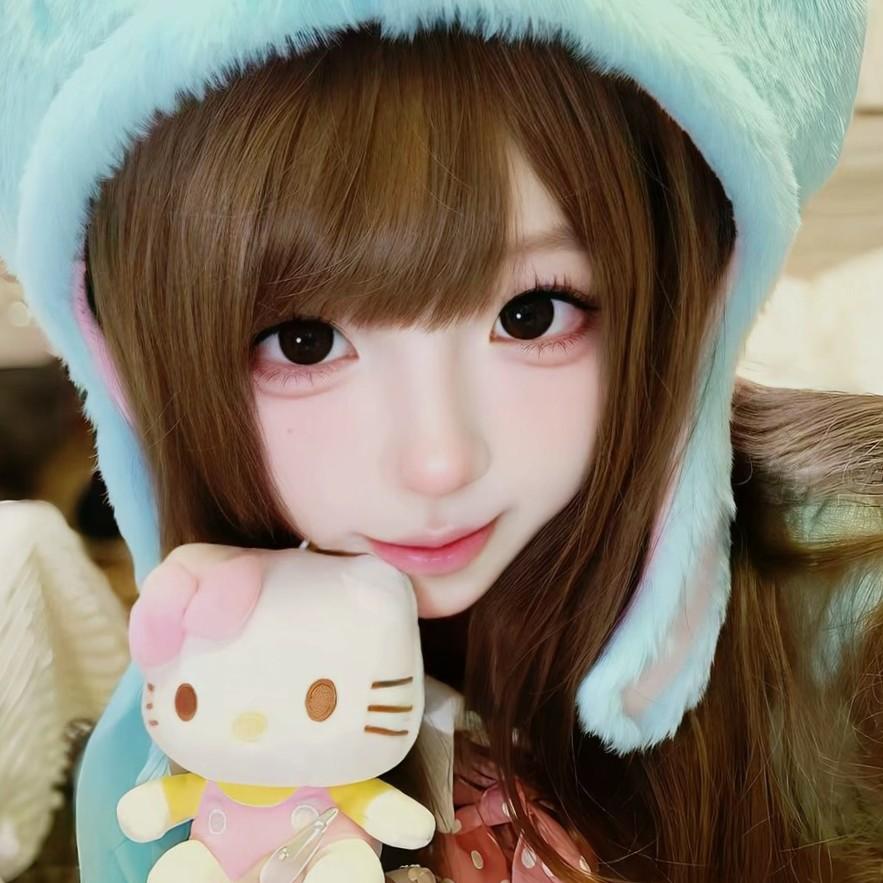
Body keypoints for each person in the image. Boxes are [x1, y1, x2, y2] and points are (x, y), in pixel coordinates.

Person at [1, 6, 881, 882]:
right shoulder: (178, 746)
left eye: (531, 314)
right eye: (304, 342)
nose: (437, 463)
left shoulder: (848, 607)